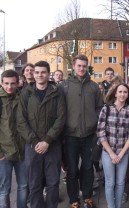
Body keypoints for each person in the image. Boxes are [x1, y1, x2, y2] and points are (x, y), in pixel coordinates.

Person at [17, 61, 66, 208]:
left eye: (43, 72)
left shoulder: (57, 92)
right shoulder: (26, 93)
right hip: (32, 146)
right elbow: (21, 121)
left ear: (48, 73)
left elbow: (61, 118)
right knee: (34, 183)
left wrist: (47, 140)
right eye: (36, 72)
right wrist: (34, 142)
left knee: (53, 182)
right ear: (33, 73)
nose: (39, 75)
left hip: (52, 145)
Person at [61, 54, 104, 208]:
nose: (81, 68)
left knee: (87, 167)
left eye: (84, 66)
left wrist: (95, 120)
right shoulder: (64, 86)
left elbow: (100, 107)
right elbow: (60, 111)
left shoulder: (93, 87)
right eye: (79, 65)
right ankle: (73, 199)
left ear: (87, 67)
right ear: (74, 66)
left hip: (89, 135)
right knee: (72, 169)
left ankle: (87, 197)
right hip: (70, 135)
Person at [97, 83, 129, 208]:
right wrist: (112, 153)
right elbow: (101, 133)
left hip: (123, 154)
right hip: (108, 153)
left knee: (120, 183)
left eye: (125, 92)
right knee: (110, 183)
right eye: (120, 92)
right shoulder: (106, 109)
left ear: (127, 94)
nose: (122, 94)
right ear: (115, 93)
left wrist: (121, 154)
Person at [0, 70, 28, 208]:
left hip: (22, 150)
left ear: (18, 83)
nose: (9, 87)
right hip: (4, 153)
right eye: (6, 83)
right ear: (1, 83)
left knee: (23, 185)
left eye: (12, 83)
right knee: (4, 189)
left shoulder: (23, 97)